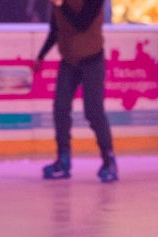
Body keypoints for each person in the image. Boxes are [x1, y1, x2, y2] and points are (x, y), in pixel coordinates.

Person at [35, 0, 118, 183]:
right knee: (60, 107)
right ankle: (63, 159)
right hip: (69, 62)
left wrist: (61, 4)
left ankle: (109, 159)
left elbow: (82, 24)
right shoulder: (58, 4)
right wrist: (41, 55)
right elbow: (56, 30)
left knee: (94, 112)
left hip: (92, 60)